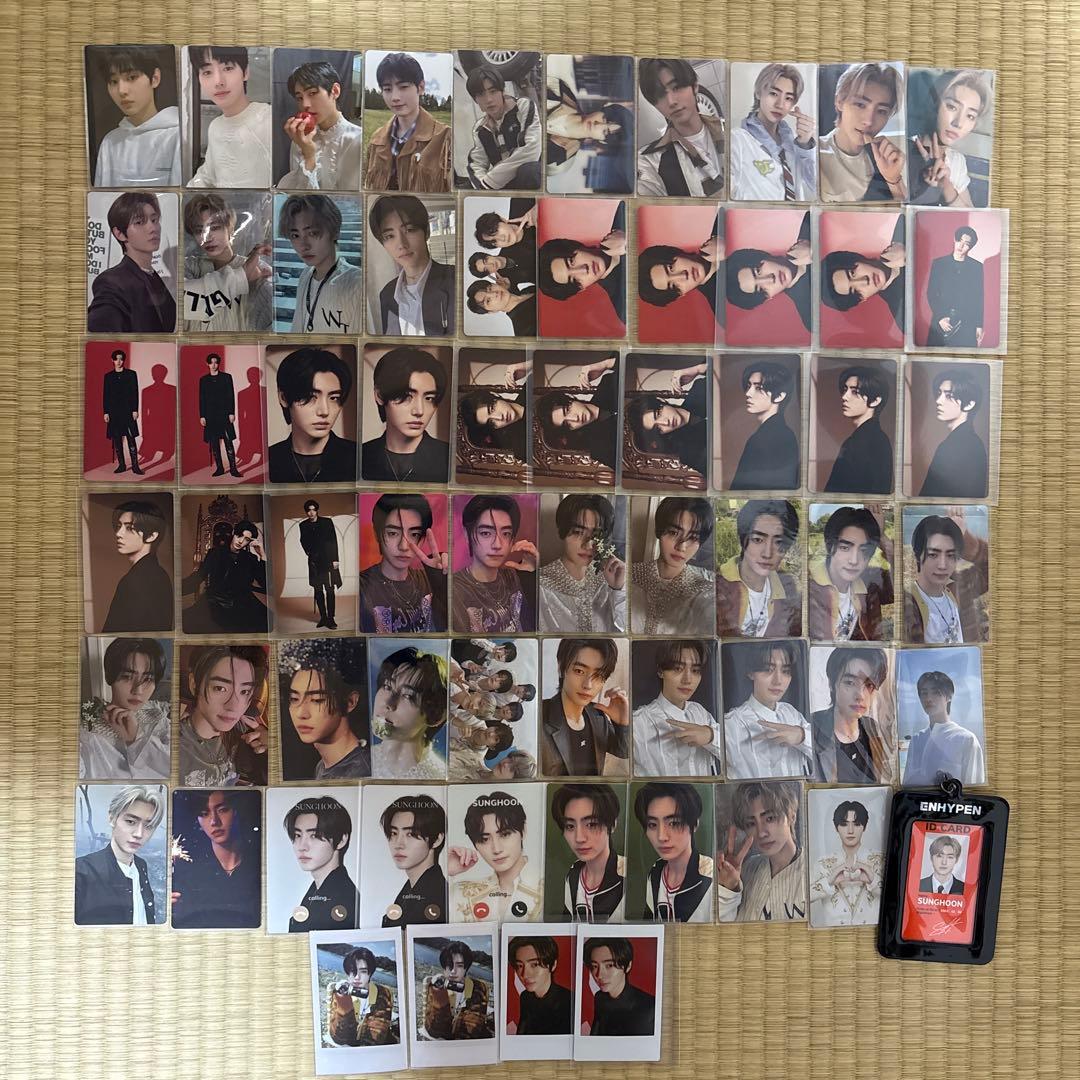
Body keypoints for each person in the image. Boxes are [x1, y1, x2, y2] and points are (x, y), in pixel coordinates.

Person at [79, 637, 170, 781]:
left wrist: (136, 738)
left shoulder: (158, 718)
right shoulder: (85, 731)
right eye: (127, 677)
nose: (138, 690)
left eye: (147, 679)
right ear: (110, 676)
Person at [178, 644, 268, 787]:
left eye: (244, 691)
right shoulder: (171, 748)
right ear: (194, 684)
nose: (234, 706)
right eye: (220, 688)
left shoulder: (245, 732)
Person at [716, 780, 806, 922]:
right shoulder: (747, 870)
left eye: (770, 818)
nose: (761, 833)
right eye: (751, 823)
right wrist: (729, 888)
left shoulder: (816, 874)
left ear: (791, 816)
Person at [280, 637, 369, 780]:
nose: (301, 713)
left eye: (317, 700)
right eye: (294, 699)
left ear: (350, 702)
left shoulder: (362, 771)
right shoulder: (322, 766)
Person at [87, 192, 176, 334]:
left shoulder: (154, 277)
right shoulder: (111, 282)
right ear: (120, 234)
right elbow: (101, 330)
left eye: (154, 220)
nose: (152, 228)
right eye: (139, 222)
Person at [91, 46, 181, 186]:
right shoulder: (110, 142)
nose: (122, 90)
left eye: (131, 77)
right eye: (114, 81)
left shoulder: (177, 135)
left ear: (155, 78)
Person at [74, 784, 164, 925]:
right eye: (130, 822)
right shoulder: (81, 871)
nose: (139, 834)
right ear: (112, 818)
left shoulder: (141, 865)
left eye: (148, 826)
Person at [182, 194, 272, 333]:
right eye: (199, 230)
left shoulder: (258, 269)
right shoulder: (187, 267)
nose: (207, 237)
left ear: (230, 227)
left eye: (214, 227)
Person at [171, 789, 261, 928]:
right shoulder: (187, 874)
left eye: (222, 810)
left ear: (236, 810)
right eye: (204, 814)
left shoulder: (260, 864)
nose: (214, 821)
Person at [360, 494, 448, 633]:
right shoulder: (361, 586)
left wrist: (440, 580)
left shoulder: (429, 578)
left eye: (414, 534)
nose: (403, 546)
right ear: (377, 533)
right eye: (393, 533)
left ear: (422, 539)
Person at [186, 45, 273, 188]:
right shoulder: (215, 127)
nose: (218, 82)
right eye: (207, 72)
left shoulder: (268, 119)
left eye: (227, 68)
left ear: (245, 72)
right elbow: (206, 176)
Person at [449, 791, 542, 922]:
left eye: (505, 834)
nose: (496, 849)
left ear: (523, 830)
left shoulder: (551, 888)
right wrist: (445, 870)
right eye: (484, 839)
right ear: (475, 844)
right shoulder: (460, 894)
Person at [268, 347, 357, 483]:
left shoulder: (360, 457)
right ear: (284, 398)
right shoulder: (268, 460)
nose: (324, 411)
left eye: (333, 398)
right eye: (310, 397)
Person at [632, 640, 721, 777]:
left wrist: (711, 736)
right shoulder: (638, 723)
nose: (688, 680)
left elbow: (735, 756)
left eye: (695, 670)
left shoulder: (700, 712)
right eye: (678, 668)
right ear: (661, 671)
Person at [365, 52, 452, 192]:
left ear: (421, 87)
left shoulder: (446, 139)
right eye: (387, 89)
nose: (395, 97)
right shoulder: (376, 140)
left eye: (403, 87)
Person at [539, 493, 626, 633]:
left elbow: (623, 630)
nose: (588, 545)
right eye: (578, 532)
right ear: (562, 531)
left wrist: (618, 590)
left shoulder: (611, 578)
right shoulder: (541, 585)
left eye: (596, 535)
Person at [541, 639, 629, 777]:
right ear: (562, 668)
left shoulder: (598, 715)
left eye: (598, 676)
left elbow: (623, 751)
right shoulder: (538, 715)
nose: (588, 685)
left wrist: (622, 724)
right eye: (579, 671)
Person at [819, 63, 906, 202]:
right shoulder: (814, 154)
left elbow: (903, 212)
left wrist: (893, 179)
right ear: (839, 101)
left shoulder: (887, 158)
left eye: (881, 111)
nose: (869, 121)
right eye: (860, 105)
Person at [637, 58, 725, 196]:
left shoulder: (731, 132)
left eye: (676, 88)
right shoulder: (651, 162)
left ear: (694, 86)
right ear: (655, 104)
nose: (671, 101)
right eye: (660, 95)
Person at [724, 642, 812, 779]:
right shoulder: (732, 723)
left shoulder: (792, 714)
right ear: (751, 672)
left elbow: (825, 754)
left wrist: (802, 736)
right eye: (768, 669)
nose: (778, 681)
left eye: (785, 671)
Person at [369, 195, 454, 336]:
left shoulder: (455, 280)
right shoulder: (387, 294)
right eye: (389, 236)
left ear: (426, 232)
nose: (401, 244)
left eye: (409, 230)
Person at [451, 494, 537, 633]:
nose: (497, 544)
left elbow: (533, 628)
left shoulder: (514, 576)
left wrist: (530, 577)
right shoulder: (454, 589)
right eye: (486, 533)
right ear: (467, 534)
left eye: (506, 534)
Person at [362, 346, 450, 482]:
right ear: (379, 395)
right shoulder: (359, 456)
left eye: (429, 398)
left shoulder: (448, 457)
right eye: (407, 396)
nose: (419, 411)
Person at [808, 505, 894, 642]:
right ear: (829, 546)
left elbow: (900, 590)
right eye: (845, 548)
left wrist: (882, 538)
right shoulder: (807, 589)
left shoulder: (870, 583)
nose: (854, 560)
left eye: (864, 551)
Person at [716, 500, 802, 638]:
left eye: (778, 542)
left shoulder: (788, 587)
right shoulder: (716, 586)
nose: (767, 553)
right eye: (758, 540)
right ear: (743, 539)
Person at [729, 63, 815, 201]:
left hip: (797, 215)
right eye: (773, 94)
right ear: (758, 93)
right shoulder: (737, 140)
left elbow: (816, 187)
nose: (780, 104)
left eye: (788, 98)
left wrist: (805, 145)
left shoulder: (795, 142)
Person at [630, 497, 715, 635]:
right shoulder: (629, 576)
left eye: (693, 538)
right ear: (659, 531)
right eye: (673, 533)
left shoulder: (704, 592)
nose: (681, 547)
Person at [909, 70, 993, 207]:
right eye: (952, 107)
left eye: (970, 116)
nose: (958, 123)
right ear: (934, 105)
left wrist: (946, 186)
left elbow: (971, 217)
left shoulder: (956, 161)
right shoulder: (902, 148)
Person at [280, 194, 363, 334]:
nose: (304, 246)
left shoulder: (357, 284)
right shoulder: (305, 275)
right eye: (295, 236)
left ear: (334, 232)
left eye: (312, 233)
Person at [904, 509, 989, 644]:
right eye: (933, 555)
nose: (942, 565)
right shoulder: (909, 604)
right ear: (918, 555)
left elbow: (992, 568)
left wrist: (965, 538)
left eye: (950, 555)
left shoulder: (960, 588)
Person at [633, 782, 715, 922]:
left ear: (694, 824)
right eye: (652, 825)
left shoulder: (712, 874)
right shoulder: (655, 872)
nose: (661, 836)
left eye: (674, 823)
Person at [537, 202, 627, 328]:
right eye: (574, 280)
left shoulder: (624, 212)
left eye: (571, 261)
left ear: (576, 245)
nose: (583, 270)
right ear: (581, 289)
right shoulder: (624, 305)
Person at [278, 59, 363, 190]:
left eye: (312, 93)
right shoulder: (301, 139)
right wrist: (309, 155)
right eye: (299, 97)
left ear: (335, 91)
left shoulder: (357, 140)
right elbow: (297, 195)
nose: (305, 104)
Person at [810, 648, 891, 783]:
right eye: (849, 682)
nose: (860, 695)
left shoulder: (872, 727)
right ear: (832, 684)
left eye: (869, 685)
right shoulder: (812, 727)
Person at [725, 211, 812, 332]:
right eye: (761, 289)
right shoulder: (810, 316)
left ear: (763, 255)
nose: (770, 279)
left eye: (758, 271)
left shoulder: (810, 221)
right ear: (768, 298)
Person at [370, 646, 448, 781]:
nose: (388, 703)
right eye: (387, 687)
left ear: (436, 716)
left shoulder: (438, 777)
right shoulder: (362, 760)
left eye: (408, 696)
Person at [551, 783, 625, 921]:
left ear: (612, 824)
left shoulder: (632, 875)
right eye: (570, 826)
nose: (579, 838)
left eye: (591, 824)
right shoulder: (572, 875)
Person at [820, 220, 906, 340]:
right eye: (855, 291)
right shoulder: (904, 315)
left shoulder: (903, 226)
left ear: (857, 259)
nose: (864, 281)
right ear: (862, 300)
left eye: (852, 273)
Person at [284, 795, 359, 931]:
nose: (302, 846)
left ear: (341, 840)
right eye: (297, 835)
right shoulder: (317, 891)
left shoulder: (344, 896)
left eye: (314, 836)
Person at [462, 63, 542, 190]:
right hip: (502, 185)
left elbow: (532, 151)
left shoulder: (523, 107)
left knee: (529, 171)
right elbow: (476, 164)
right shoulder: (480, 129)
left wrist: (490, 181)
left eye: (493, 91)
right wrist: (483, 185)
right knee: (467, 187)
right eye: (481, 94)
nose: (488, 99)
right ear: (475, 100)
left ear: (502, 91)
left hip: (529, 179)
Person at [182, 519, 268, 634]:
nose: (241, 541)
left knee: (267, 621)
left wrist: (262, 555)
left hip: (242, 604)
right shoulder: (215, 553)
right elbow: (198, 577)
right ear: (233, 532)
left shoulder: (250, 558)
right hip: (217, 601)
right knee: (190, 621)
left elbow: (265, 584)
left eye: (246, 539)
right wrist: (177, 589)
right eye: (239, 535)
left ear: (250, 542)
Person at [536, 355, 620, 472]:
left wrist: (605, 364)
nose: (575, 419)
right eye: (567, 424)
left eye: (567, 410)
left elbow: (634, 358)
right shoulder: (600, 449)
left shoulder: (608, 384)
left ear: (569, 399)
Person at [625, 361, 709, 478]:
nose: (665, 423)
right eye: (658, 428)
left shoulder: (700, 389)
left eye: (658, 414)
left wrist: (699, 369)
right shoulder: (689, 453)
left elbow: (731, 372)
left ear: (661, 402)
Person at [545, 75, 632, 187]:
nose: (598, 125)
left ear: (602, 141)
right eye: (604, 119)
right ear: (603, 108)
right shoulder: (560, 91)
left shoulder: (561, 162)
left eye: (605, 132)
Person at [101, 499, 174, 633]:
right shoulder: (158, 574)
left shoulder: (136, 580)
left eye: (129, 528)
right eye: (118, 526)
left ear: (151, 536)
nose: (118, 534)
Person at [904, 669, 986, 786]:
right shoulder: (916, 740)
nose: (928, 698)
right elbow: (906, 785)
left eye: (936, 692)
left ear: (949, 697)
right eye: (924, 693)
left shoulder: (966, 740)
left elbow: (974, 789)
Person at [822, 365, 895, 495]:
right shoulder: (867, 439)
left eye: (855, 392)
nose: (844, 397)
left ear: (875, 400)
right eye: (845, 389)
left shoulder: (868, 442)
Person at [809, 799, 883, 925]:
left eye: (857, 824)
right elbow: (802, 899)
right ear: (836, 828)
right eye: (844, 824)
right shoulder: (822, 863)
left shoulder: (880, 860)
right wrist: (828, 882)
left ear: (864, 827)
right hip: (833, 935)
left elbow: (898, 897)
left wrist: (873, 879)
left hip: (872, 934)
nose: (850, 830)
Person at [637, 214, 723, 321]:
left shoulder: (722, 221)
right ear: (680, 295)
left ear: (675, 251)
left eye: (671, 267)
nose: (683, 276)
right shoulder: (721, 309)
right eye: (673, 286)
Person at [919, 368, 989, 498]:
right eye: (939, 393)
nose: (938, 401)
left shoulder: (960, 446)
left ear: (969, 404)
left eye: (948, 396)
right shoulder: (966, 442)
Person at [730, 361, 800, 490]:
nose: (748, 393)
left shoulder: (772, 437)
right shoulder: (775, 434)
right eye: (749, 386)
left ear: (779, 396)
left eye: (758, 388)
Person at [379, 794, 447, 926]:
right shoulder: (409, 891)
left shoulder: (437, 895)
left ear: (437, 840)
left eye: (410, 834)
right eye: (394, 833)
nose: (398, 844)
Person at [924, 224, 985, 347]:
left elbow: (978, 297)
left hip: (967, 322)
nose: (961, 246)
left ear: (970, 246)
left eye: (966, 244)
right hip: (942, 320)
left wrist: (979, 325)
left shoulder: (977, 267)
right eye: (959, 241)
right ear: (954, 239)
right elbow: (931, 293)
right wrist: (941, 317)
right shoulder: (939, 263)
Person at [326, 947, 397, 1046]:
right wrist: (345, 1009)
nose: (357, 977)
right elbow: (339, 1038)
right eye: (352, 971)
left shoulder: (383, 994)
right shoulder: (340, 993)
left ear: (370, 973)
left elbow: (376, 1037)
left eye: (363, 971)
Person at [422, 940, 492, 1040]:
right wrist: (440, 1001)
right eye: (449, 965)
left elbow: (472, 1028)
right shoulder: (437, 987)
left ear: (466, 968)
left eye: (459, 966)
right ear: (444, 967)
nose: (453, 971)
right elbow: (433, 1030)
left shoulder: (478, 988)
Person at [582, 939, 655, 1035]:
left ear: (628, 966)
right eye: (595, 966)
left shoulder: (650, 1007)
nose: (599, 975)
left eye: (609, 965)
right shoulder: (600, 998)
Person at [508, 937, 572, 1035]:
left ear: (553, 965)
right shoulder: (525, 997)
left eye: (534, 965)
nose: (524, 974)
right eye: (520, 966)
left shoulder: (569, 1001)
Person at [297, 499, 340, 629]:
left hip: (328, 561)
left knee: (330, 589)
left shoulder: (327, 522)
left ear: (317, 510)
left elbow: (333, 540)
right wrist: (309, 552)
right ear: (306, 512)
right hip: (314, 562)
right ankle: (323, 617)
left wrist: (335, 559)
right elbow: (303, 540)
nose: (311, 513)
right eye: (308, 510)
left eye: (313, 510)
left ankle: (331, 618)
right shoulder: (303, 525)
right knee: (318, 590)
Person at [197, 352, 241, 477]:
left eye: (216, 362)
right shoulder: (203, 380)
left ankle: (233, 469)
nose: (214, 365)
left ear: (218, 363)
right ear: (207, 364)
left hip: (224, 414)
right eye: (211, 363)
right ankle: (220, 468)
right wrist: (202, 415)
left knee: (228, 441)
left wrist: (231, 412)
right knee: (214, 443)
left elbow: (230, 396)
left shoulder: (226, 377)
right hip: (210, 415)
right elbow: (202, 399)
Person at [458, 388, 528, 463]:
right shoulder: (521, 447)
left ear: (494, 396)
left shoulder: (528, 389)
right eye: (491, 422)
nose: (499, 417)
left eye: (492, 409)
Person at [102, 348, 143, 475]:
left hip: (128, 410)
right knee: (117, 438)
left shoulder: (131, 374)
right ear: (112, 360)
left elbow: (135, 393)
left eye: (121, 359)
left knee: (131, 438)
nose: (119, 361)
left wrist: (135, 409)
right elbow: (106, 395)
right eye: (116, 359)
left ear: (124, 360)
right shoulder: (108, 376)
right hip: (114, 411)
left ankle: (135, 466)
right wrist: (106, 412)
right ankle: (122, 465)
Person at [466, 278, 537, 336]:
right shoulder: (525, 331)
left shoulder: (527, 290)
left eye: (490, 288)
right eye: (488, 300)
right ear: (491, 311)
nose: (494, 293)